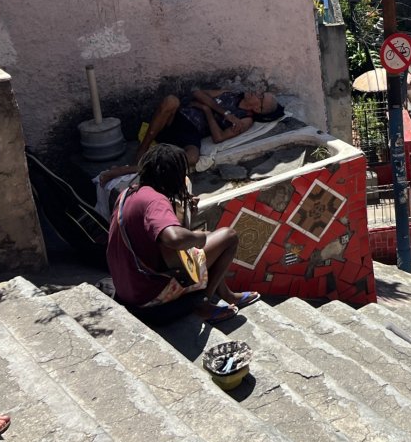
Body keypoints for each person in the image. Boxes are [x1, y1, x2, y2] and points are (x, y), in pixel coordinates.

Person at [106, 144, 259, 324]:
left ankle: (226, 294)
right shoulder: (155, 201)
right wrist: (200, 238)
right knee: (229, 236)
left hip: (127, 285)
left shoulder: (128, 193)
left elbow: (162, 245)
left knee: (209, 243)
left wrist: (189, 217)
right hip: (148, 293)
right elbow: (175, 238)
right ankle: (203, 303)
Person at [136, 87, 283, 168]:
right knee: (171, 101)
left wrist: (207, 111)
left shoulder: (244, 120)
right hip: (178, 117)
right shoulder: (231, 94)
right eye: (261, 92)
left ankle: (146, 167)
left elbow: (218, 137)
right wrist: (224, 112)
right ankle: (143, 149)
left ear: (258, 108)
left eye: (261, 96)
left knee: (192, 158)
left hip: (192, 132)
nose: (257, 91)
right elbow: (196, 91)